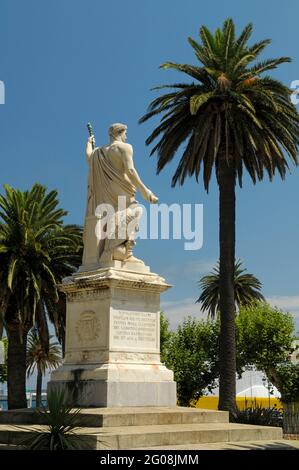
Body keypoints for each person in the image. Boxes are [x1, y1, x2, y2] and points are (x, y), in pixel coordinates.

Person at [83, 123, 158, 265]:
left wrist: (89, 143)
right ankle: (119, 251)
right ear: (119, 133)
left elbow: (89, 157)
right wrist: (145, 190)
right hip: (122, 190)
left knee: (114, 216)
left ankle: (113, 250)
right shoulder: (125, 147)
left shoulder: (98, 152)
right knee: (136, 211)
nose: (126, 136)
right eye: (125, 133)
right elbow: (130, 170)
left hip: (108, 192)